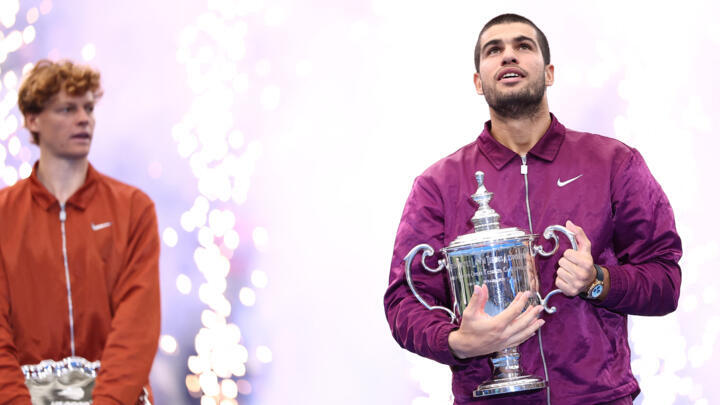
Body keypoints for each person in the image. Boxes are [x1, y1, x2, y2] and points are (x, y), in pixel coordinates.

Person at [384, 13, 682, 405]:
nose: (509, 56)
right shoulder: (439, 184)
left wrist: (598, 281)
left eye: (523, 46)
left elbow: (665, 280)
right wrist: (456, 341)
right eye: (494, 50)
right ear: (478, 81)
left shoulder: (613, 163)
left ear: (549, 72)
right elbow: (405, 300)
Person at [0, 60, 160, 404]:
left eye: (88, 107)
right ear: (32, 119)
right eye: (66, 109)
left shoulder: (134, 209)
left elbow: (137, 329)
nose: (84, 118)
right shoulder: (3, 215)